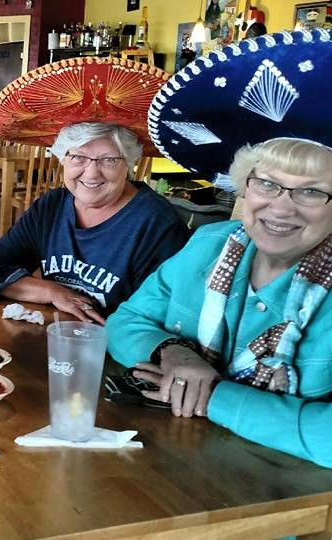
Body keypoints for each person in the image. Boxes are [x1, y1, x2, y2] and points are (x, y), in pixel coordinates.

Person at [108, 28, 332, 467]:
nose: (280, 207)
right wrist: (174, 351)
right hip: (170, 466)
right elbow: (125, 321)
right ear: (244, 186)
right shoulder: (209, 245)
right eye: (267, 183)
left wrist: (213, 395)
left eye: (311, 191)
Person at [0, 58, 189, 323]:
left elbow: (159, 317)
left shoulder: (157, 223)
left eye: (109, 160)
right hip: (55, 336)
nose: (91, 173)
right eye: (78, 157)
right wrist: (52, 292)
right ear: (62, 159)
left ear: (129, 163)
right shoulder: (51, 207)